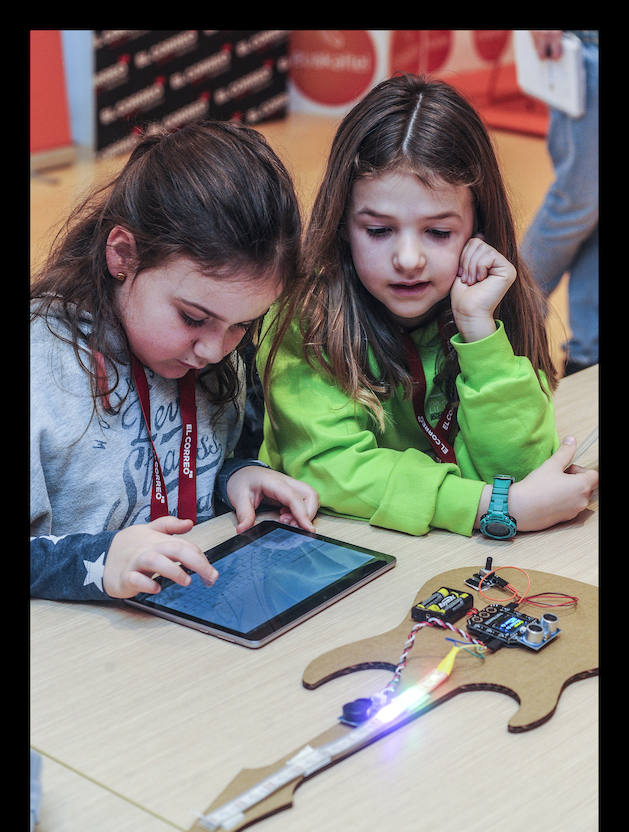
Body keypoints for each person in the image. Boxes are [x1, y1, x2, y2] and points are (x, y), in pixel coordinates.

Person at [257, 74, 597, 538]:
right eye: (379, 230)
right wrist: (488, 505)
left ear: (478, 229)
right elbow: (328, 467)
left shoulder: (491, 304)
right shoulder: (308, 316)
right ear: (342, 225)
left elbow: (525, 474)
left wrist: (479, 333)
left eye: (438, 233)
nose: (408, 259)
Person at [30, 120, 319, 603]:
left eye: (243, 324)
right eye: (193, 318)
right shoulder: (42, 365)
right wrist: (98, 563)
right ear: (123, 256)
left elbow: (181, 474)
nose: (214, 351)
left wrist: (234, 477)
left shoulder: (215, 350)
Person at [520, 30, 598, 374]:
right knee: (575, 204)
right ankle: (503, 315)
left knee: (589, 209)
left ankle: (588, 351)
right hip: (588, 51)